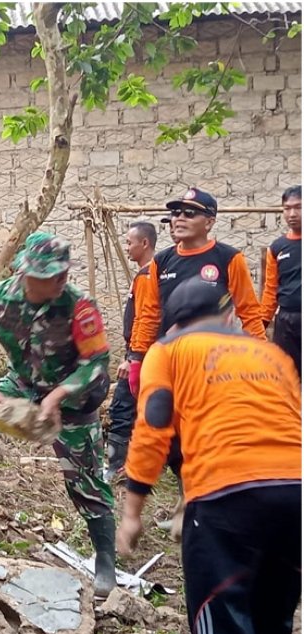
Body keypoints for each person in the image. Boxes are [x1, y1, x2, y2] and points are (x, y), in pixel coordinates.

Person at [0, 232, 117, 597]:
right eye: (51, 275)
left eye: (63, 274)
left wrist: (59, 395)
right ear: (26, 272)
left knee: (87, 482)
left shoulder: (80, 306)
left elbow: (96, 363)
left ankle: (105, 563)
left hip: (73, 401)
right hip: (22, 385)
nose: (61, 281)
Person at [117, 277, 301, 634]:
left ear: (174, 324)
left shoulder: (167, 351)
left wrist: (132, 513)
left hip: (225, 498)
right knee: (270, 624)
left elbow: (153, 428)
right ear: (230, 315)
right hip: (295, 493)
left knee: (222, 628)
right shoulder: (273, 355)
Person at [127, 188, 266, 398]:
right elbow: (148, 314)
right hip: (171, 361)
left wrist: (262, 356)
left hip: (215, 364)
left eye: (190, 213)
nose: (180, 219)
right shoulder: (161, 262)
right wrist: (136, 358)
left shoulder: (229, 258)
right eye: (176, 213)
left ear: (209, 223)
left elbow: (249, 312)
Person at [104, 221, 156, 482]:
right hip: (140, 352)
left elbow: (145, 318)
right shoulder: (146, 274)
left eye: (129, 243)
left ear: (144, 244)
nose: (127, 248)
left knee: (122, 408)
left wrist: (133, 357)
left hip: (140, 354)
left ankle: (117, 467)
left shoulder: (148, 276)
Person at [261, 184, 301, 377]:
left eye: (298, 207)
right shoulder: (277, 248)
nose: (292, 214)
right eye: (287, 208)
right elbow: (271, 289)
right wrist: (262, 323)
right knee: (286, 377)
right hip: (286, 321)